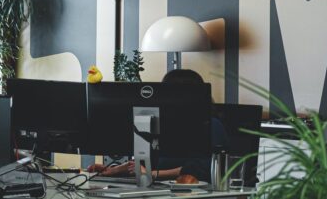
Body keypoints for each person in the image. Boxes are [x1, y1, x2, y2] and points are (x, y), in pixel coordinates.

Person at [87, 69, 227, 181]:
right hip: (159, 191)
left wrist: (153, 174)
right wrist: (111, 170)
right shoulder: (160, 124)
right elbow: (143, 163)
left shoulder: (212, 125)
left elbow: (205, 167)